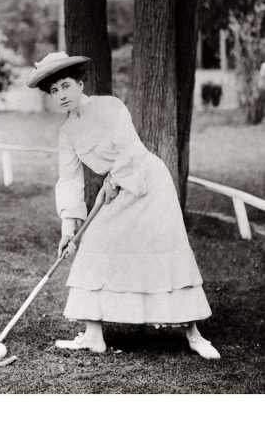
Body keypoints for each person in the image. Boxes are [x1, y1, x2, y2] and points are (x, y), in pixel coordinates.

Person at [27, 52, 221, 359]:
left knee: (164, 249)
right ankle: (93, 335)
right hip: (116, 189)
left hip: (148, 183)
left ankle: (193, 334)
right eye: (54, 91)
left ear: (79, 83)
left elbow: (129, 148)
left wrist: (113, 180)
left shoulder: (109, 106)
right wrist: (68, 228)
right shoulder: (67, 134)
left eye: (65, 86)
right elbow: (69, 181)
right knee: (94, 245)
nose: (61, 95)